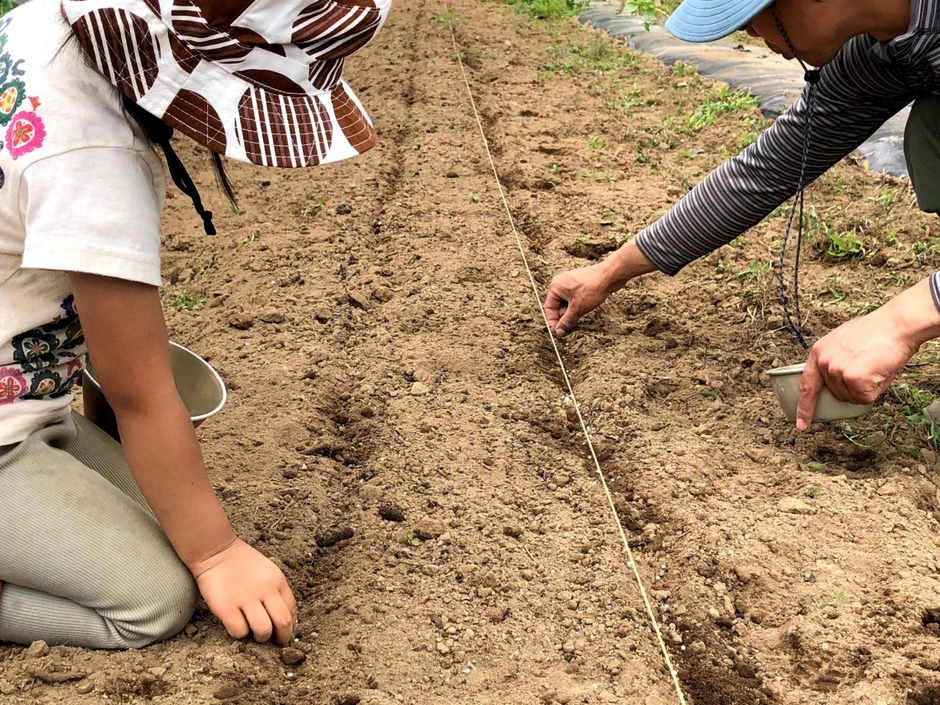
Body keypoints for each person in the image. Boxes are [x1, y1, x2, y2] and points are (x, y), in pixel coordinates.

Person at [0, 0, 389, 649]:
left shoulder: (46, 26)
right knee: (157, 594)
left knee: (161, 513)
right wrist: (217, 554)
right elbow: (138, 390)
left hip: (29, 405)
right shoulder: (91, 155)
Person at [544, 0, 940, 431]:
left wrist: (903, 320)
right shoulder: (877, 56)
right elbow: (766, 170)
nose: (750, 34)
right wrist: (608, 273)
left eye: (753, 16)